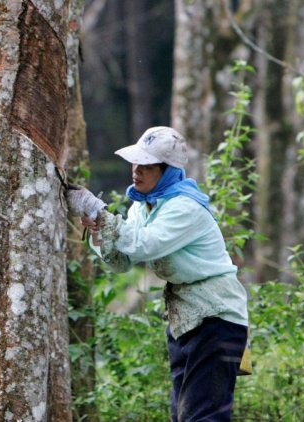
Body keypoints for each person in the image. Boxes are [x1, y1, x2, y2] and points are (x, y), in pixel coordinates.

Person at [67, 126, 249, 422]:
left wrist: (100, 212)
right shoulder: (143, 207)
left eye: (147, 167)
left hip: (216, 318)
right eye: (135, 164)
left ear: (166, 172)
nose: (136, 171)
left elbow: (144, 244)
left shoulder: (184, 207)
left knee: (204, 416)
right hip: (185, 319)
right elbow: (123, 261)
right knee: (182, 414)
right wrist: (99, 232)